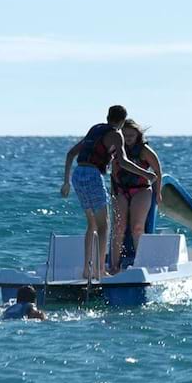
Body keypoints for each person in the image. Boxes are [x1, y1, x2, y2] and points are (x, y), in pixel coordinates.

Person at [61, 105, 157, 279]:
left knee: (92, 225)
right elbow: (124, 161)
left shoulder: (95, 130)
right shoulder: (116, 133)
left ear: (107, 117)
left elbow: (70, 154)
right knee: (104, 226)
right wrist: (145, 173)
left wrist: (66, 182)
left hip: (77, 175)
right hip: (92, 175)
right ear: (122, 121)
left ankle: (86, 269)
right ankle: (99, 270)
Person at [109, 119, 163, 274]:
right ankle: (114, 265)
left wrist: (158, 192)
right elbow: (113, 174)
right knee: (119, 227)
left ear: (138, 135)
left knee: (137, 228)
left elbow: (158, 171)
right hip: (121, 190)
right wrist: (113, 193)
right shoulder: (117, 150)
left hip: (141, 190)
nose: (128, 138)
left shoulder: (144, 151)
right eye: (124, 135)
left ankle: (140, 263)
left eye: (131, 135)